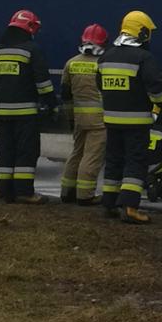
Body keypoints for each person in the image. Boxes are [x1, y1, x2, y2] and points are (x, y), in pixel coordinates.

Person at [99, 10, 162, 224]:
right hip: (136, 122)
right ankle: (130, 207)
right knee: (135, 163)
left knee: (113, 162)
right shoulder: (144, 58)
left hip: (111, 121)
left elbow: (100, 86)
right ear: (142, 33)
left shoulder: (106, 56)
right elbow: (157, 88)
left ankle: (109, 204)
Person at [0, 9, 57, 205]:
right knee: (26, 152)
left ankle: (6, 191)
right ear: (29, 27)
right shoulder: (31, 50)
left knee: (6, 151)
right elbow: (42, 82)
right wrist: (51, 104)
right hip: (26, 113)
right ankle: (25, 192)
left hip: (2, 113)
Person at [58, 23, 110, 205]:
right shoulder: (103, 64)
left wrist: (70, 119)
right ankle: (85, 195)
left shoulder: (71, 63)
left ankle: (67, 191)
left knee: (76, 153)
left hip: (79, 118)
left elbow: (65, 94)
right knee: (92, 157)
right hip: (99, 120)